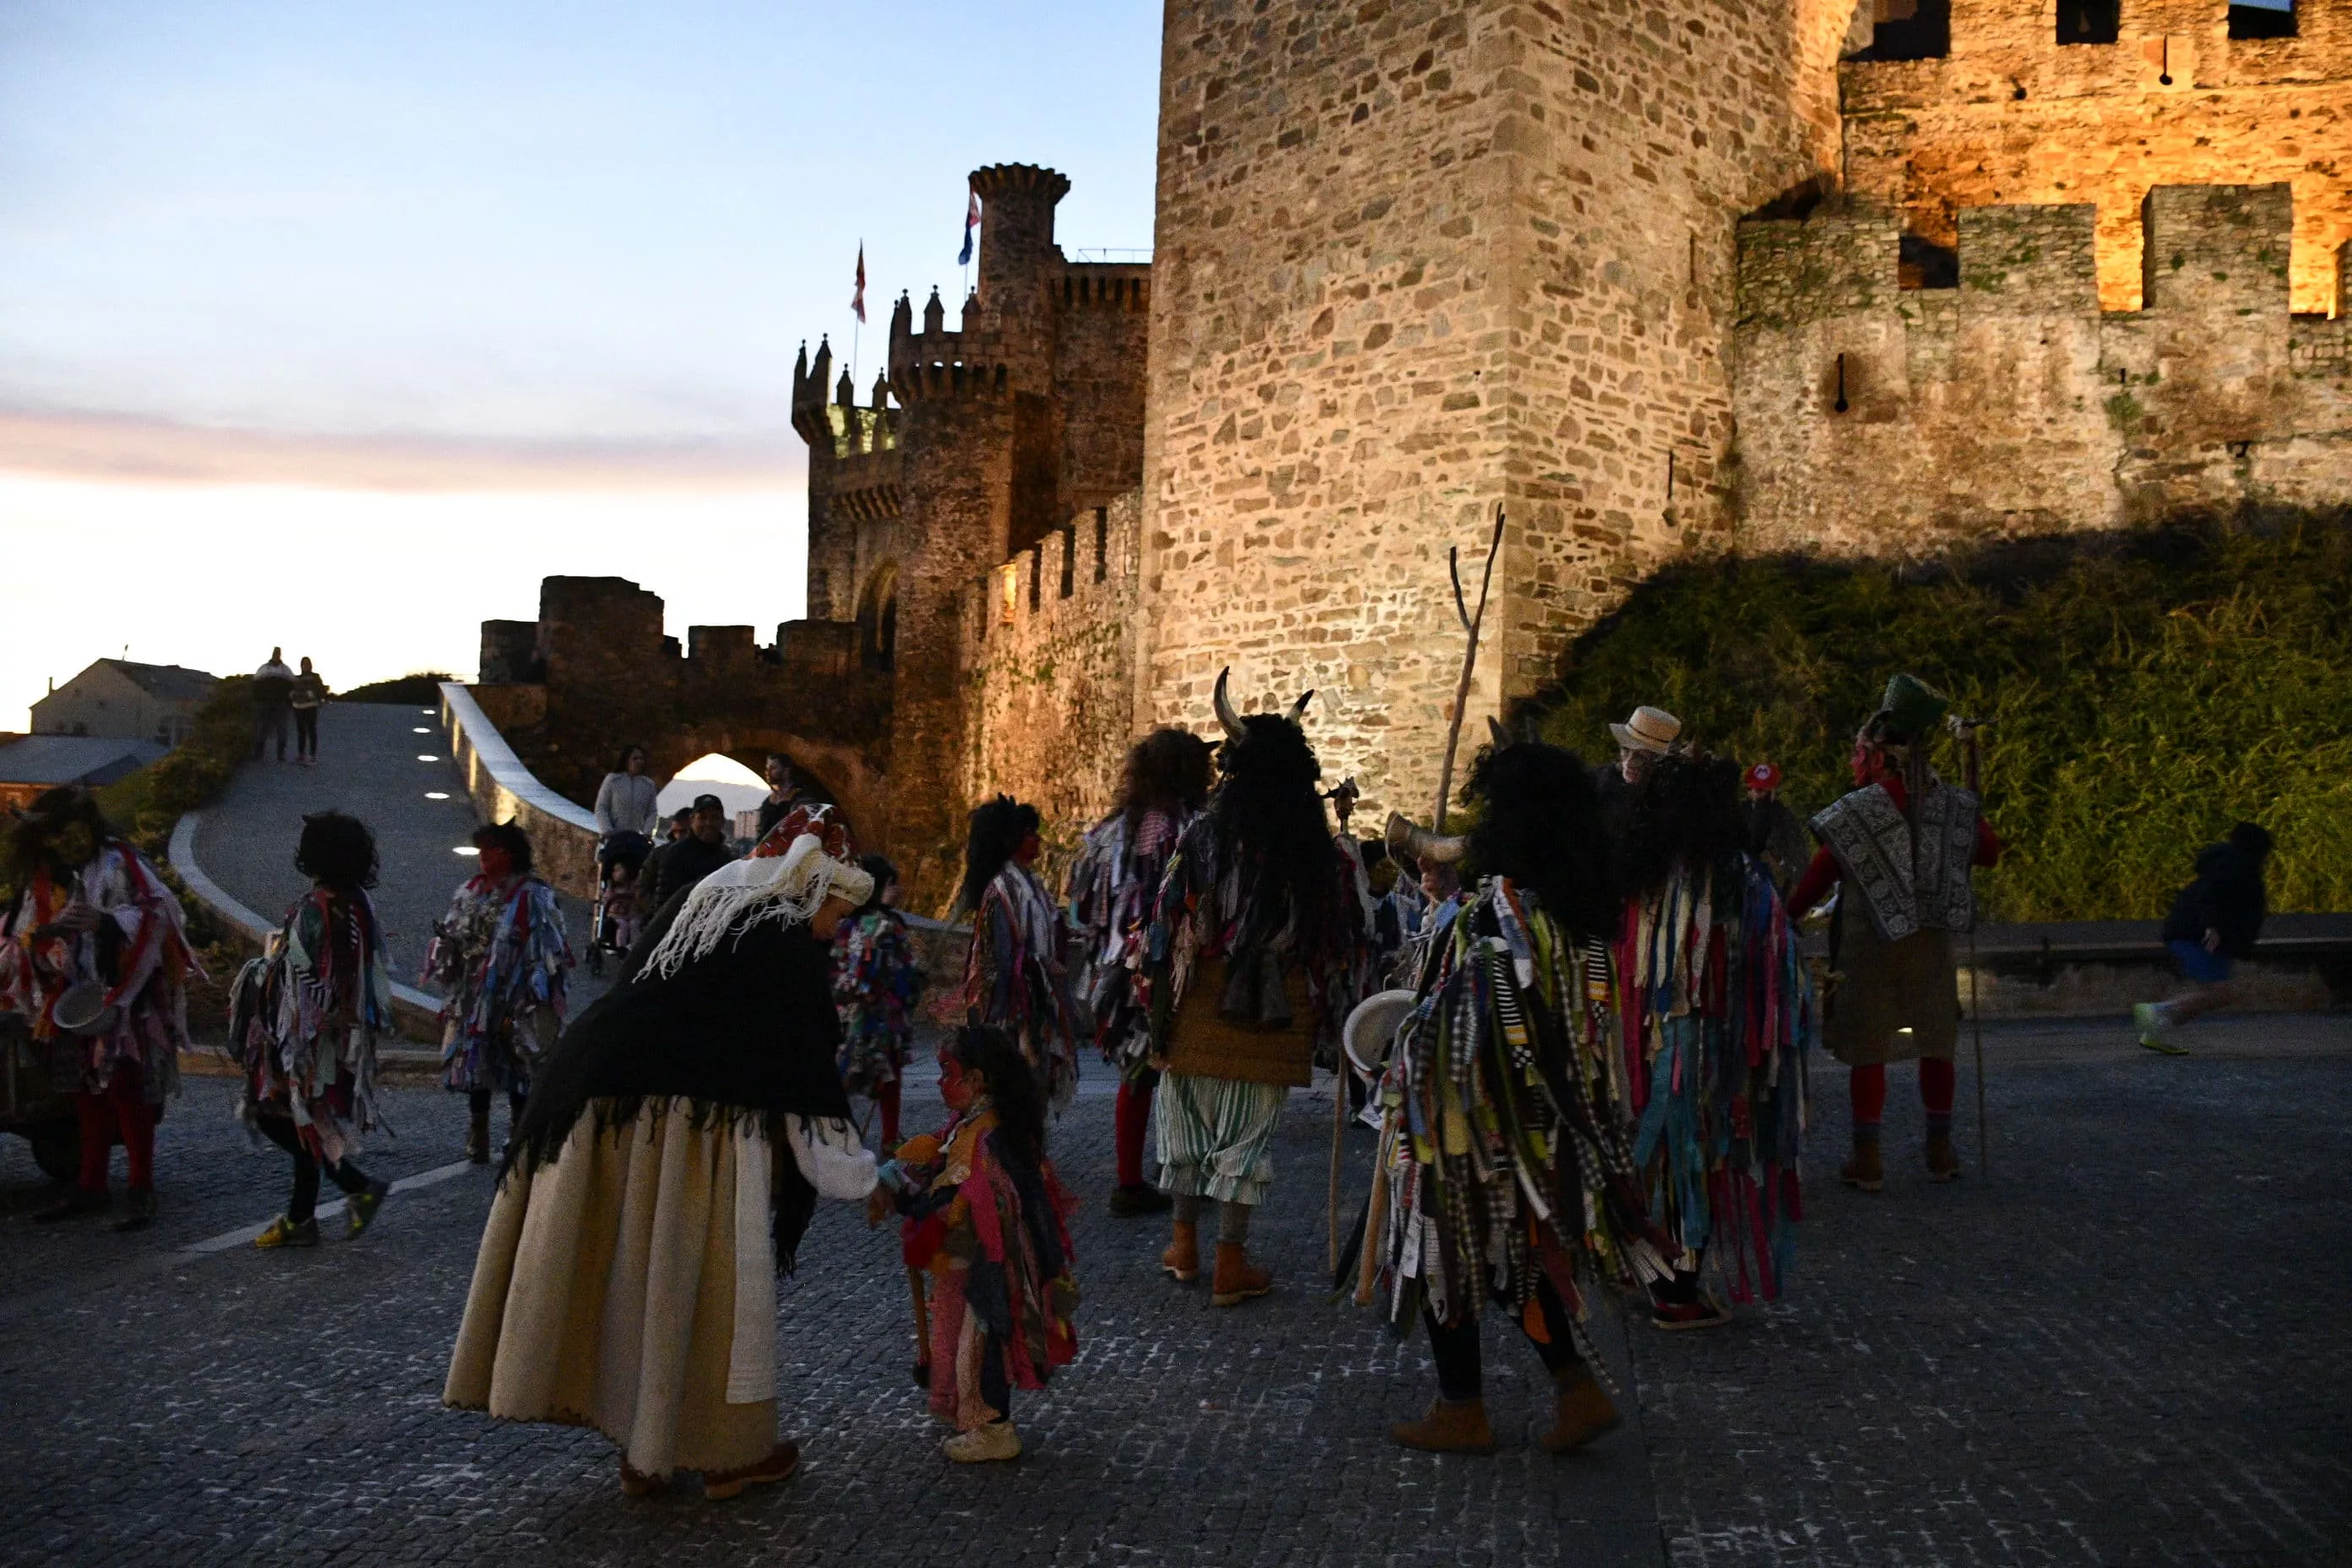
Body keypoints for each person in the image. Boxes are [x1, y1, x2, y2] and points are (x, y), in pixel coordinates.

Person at [445, 807, 878, 1500]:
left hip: (596, 1099)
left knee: (633, 1274)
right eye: (837, 906)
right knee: (704, 1280)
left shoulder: (705, 902)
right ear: (808, 885)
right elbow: (804, 1085)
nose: (838, 925)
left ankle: (643, 1451)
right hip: (693, 1122)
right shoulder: (779, 938)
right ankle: (728, 1454)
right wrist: (867, 1178)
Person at [1369, 742, 1665, 1454]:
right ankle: (1576, 1390)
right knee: (1511, 1260)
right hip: (1547, 1124)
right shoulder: (1579, 915)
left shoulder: (1500, 915)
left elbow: (1460, 1026)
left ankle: (1462, 1408)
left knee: (1445, 1248)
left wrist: (1398, 1054)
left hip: (1478, 1123)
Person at [1143, 671, 1370, 1307]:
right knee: (1246, 1137)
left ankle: (1184, 1248)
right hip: (1277, 1005)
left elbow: (1165, 924)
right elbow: (1339, 936)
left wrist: (1155, 1001)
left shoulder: (1203, 836)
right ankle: (1228, 1264)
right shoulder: (1314, 851)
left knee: (1185, 1123)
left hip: (1200, 996)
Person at [1617, 751, 1815, 1329]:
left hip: (1644, 1045)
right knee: (1694, 1158)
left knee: (1655, 1153)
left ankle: (1641, 1262)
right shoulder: (1739, 879)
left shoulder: (1641, 874)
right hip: (1709, 1049)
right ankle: (1676, 1290)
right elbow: (1779, 970)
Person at [1787, 675, 2001, 1190]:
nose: (1854, 762)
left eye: (1860, 752)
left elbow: (1820, 874)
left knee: (1869, 1043)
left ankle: (1868, 1159)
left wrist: (1783, 915)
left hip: (1870, 946)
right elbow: (1988, 852)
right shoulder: (1948, 803)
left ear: (1879, 756)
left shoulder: (1857, 811)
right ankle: (1940, 1150)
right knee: (1935, 1039)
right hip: (1930, 944)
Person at [872, 1023, 1080, 1464]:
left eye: (948, 1072)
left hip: (990, 1261)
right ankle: (970, 1413)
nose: (939, 1081)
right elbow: (938, 1161)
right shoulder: (971, 1124)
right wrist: (896, 1182)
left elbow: (972, 1194)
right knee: (964, 1335)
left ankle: (994, 1428)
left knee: (984, 1340)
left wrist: (926, 1208)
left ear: (978, 1080)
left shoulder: (987, 1137)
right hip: (971, 1260)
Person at [0, 786, 196, 1229]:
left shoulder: (122, 863)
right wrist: (51, 931)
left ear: (86, 827)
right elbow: (26, 936)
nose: (59, 844)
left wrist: (107, 923)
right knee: (87, 1091)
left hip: (126, 999)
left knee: (128, 1087)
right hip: (78, 998)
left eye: (65, 833)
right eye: (52, 837)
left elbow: (161, 914)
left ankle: (140, 1188)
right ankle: (90, 1186)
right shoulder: (54, 876)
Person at [1064, 727, 1215, 1217]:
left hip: (1119, 975)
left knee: (1137, 1073)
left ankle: (1131, 1181)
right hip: (1171, 970)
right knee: (1186, 1072)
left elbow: (1084, 910)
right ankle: (1185, 1174)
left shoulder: (1111, 832)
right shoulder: (1189, 828)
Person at [231, 812, 393, 1247]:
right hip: (317, 1035)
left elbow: (332, 977)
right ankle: (302, 1219)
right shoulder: (350, 901)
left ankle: (357, 1188)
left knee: (279, 1115)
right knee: (299, 1119)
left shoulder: (333, 909)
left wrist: (302, 1031)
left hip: (312, 1040)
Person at [425, 820, 572, 1164]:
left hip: (518, 996)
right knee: (477, 1060)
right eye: (482, 849)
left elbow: (551, 946)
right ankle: (479, 1129)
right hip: (475, 995)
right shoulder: (470, 891)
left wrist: (540, 988)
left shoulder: (535, 895)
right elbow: (454, 930)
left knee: (519, 1058)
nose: (483, 856)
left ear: (507, 854)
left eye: (490, 849)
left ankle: (518, 1129)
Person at [960, 796, 1082, 1108]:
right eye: (1031, 833)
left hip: (1037, 998)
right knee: (1015, 1082)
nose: (1038, 839)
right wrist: (1028, 977)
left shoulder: (1033, 886)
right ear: (1013, 839)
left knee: (1036, 1080)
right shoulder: (1002, 890)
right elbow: (1001, 955)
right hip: (1015, 1004)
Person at [2137, 821, 2273, 1054]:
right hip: (2196, 934)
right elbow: (2211, 894)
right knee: (2219, 993)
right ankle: (2157, 1013)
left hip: (2197, 933)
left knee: (2215, 994)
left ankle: (2156, 1029)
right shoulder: (2234, 865)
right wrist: (2211, 926)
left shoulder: (2231, 863)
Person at [832, 853, 923, 1146]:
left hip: (851, 1015)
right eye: (895, 884)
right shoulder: (885, 926)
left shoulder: (847, 925)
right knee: (888, 1078)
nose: (901, 890)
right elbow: (894, 971)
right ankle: (887, 1136)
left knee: (850, 1076)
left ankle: (839, 1136)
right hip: (881, 1018)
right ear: (885, 885)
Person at [1593, 703, 1680, 840]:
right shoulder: (1598, 783)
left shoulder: (1671, 795)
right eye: (1625, 750)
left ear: (1658, 760)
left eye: (1640, 756)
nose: (1629, 762)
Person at [653, 794, 738, 910]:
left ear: (722, 822)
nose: (708, 823)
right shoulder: (676, 854)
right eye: (702, 818)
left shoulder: (728, 858)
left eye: (714, 818)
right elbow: (664, 901)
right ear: (692, 820)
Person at [1740, 760, 1810, 896]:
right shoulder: (1741, 810)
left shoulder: (1784, 816)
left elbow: (1797, 850)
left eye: (1761, 790)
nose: (1756, 793)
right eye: (1753, 789)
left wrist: (1781, 865)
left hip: (1774, 879)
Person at [594, 746, 661, 842]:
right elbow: (601, 807)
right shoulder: (613, 780)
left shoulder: (648, 785)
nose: (639, 762)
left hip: (635, 840)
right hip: (613, 839)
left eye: (641, 759)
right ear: (626, 760)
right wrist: (607, 830)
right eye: (635, 758)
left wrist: (647, 833)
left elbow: (652, 812)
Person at [640, 807, 694, 906]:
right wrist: (656, 909)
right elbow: (642, 888)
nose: (678, 836)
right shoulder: (659, 854)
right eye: (676, 832)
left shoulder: (709, 856)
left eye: (683, 832)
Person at [252, 648, 295, 762]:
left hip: (281, 704)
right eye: (275, 653)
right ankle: (258, 754)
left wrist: (289, 701)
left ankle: (280, 755)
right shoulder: (263, 668)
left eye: (278, 653)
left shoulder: (286, 670)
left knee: (282, 729)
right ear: (272, 654)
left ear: (280, 655)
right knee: (263, 728)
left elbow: (293, 686)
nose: (276, 655)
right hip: (265, 703)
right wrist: (258, 699)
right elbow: (256, 685)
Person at [755, 755, 808, 842]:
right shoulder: (768, 802)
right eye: (767, 768)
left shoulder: (801, 798)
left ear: (786, 771)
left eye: (773, 768)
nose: (768, 772)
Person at [288, 657, 328, 767]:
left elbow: (321, 690)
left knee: (311, 730)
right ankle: (301, 754)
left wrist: (317, 697)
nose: (306, 666)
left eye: (308, 664)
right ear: (301, 666)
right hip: (298, 706)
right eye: (304, 664)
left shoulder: (315, 677)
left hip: (311, 706)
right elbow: (292, 690)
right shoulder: (297, 678)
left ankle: (312, 756)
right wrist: (292, 695)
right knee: (301, 731)